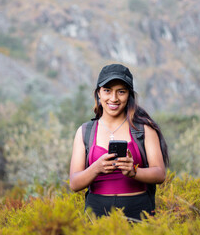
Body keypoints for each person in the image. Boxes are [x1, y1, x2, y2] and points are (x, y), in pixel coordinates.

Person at [69, 64, 169, 220]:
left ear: (129, 95)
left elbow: (160, 174)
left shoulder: (143, 130)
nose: (114, 98)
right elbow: (74, 183)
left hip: (139, 212)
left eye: (121, 91)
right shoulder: (85, 132)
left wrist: (134, 171)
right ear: (98, 94)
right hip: (96, 213)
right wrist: (96, 168)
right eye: (107, 90)